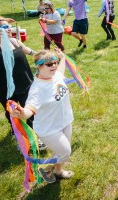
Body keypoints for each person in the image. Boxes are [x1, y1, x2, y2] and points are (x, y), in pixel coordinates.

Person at [10, 49, 75, 183]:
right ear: (38, 66)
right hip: (49, 129)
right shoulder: (37, 89)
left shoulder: (55, 75)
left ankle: (58, 171)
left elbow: (60, 71)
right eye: (49, 64)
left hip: (65, 121)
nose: (54, 66)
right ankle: (45, 168)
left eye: (55, 62)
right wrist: (22, 113)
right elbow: (29, 110)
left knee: (63, 151)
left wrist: (62, 58)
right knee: (65, 152)